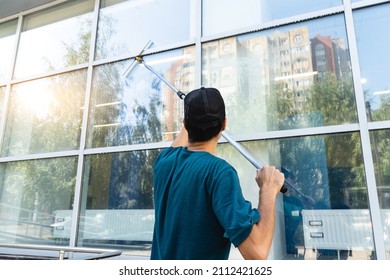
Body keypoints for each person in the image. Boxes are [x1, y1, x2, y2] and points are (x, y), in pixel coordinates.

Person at [150, 87, 285, 260]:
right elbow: (257, 253)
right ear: (224, 124)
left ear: (184, 123)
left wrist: (194, 108)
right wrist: (268, 189)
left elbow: (183, 136)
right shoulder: (220, 173)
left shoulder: (164, 161)